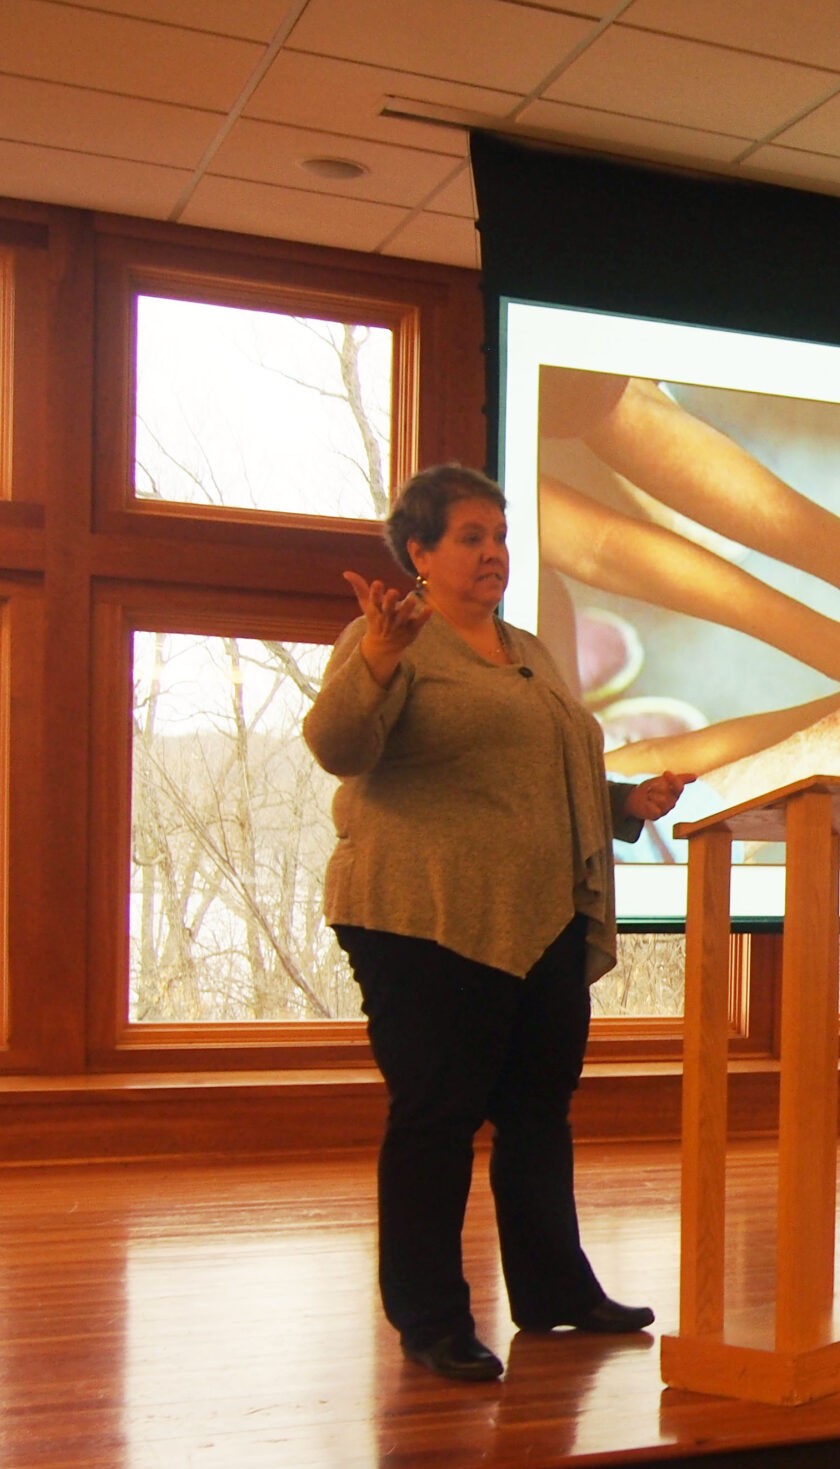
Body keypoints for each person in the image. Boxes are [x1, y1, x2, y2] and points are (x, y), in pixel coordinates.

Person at [303, 464, 689, 1383]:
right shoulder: (387, 639)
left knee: (537, 1114)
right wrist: (380, 660)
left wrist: (627, 800)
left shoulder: (529, 650)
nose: (494, 553)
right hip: (425, 919)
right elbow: (337, 747)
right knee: (436, 1117)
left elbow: (537, 781)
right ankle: (431, 1320)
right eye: (471, 537)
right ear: (419, 554)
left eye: (500, 535)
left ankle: (556, 1292)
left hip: (540, 916)